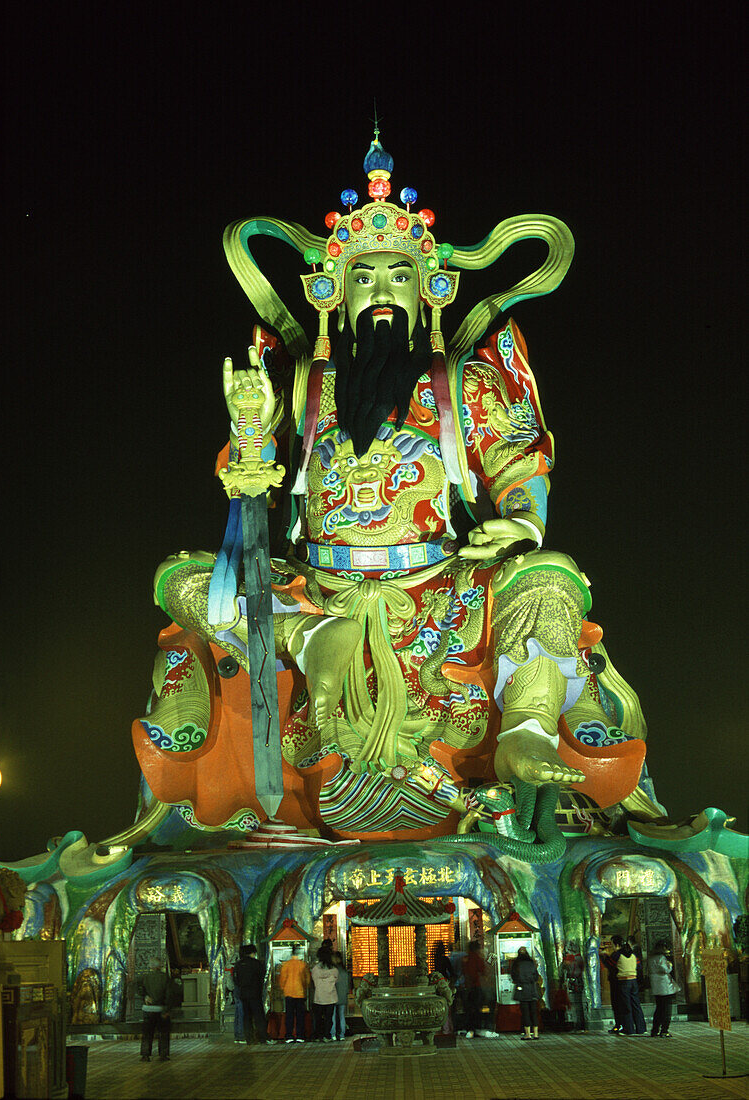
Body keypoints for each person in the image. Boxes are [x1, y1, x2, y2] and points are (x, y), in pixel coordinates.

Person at [144, 130, 654, 850]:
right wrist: (253, 432)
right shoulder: (303, 382)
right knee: (186, 580)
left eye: (397, 277)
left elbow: (516, 462)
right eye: (362, 278)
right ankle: (313, 639)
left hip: (440, 583)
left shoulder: (464, 383)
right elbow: (250, 488)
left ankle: (529, 734)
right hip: (318, 588)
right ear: (332, 293)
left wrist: (517, 520)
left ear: (427, 291)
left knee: (549, 581)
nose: (380, 293)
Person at [138, 957, 173, 1062]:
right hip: (161, 1009)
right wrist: (167, 1009)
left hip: (148, 1009)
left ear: (150, 966)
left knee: (147, 1033)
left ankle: (145, 1055)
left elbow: (137, 987)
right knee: (163, 1033)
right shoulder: (165, 978)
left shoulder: (145, 977)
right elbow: (169, 995)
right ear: (160, 966)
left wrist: (145, 997)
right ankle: (163, 1054)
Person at [233, 943, 267, 1045]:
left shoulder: (238, 964)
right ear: (252, 953)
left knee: (246, 1017)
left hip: (244, 994)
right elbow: (262, 977)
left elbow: (236, 980)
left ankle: (249, 1038)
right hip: (255, 994)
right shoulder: (257, 963)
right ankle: (262, 1037)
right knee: (258, 1016)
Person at [611, 938, 646, 1035]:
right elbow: (639, 967)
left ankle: (628, 1029)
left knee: (626, 1006)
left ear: (618, 945)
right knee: (636, 1005)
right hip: (633, 981)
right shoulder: (634, 956)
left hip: (623, 982)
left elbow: (611, 966)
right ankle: (641, 1028)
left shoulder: (617, 955)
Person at [279, 944, 310, 1043]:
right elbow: (307, 979)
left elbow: (282, 979)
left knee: (289, 1015)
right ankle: (300, 1035)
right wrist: (304, 988)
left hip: (288, 993)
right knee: (300, 1015)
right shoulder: (303, 964)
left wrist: (283, 988)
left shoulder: (286, 965)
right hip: (300, 992)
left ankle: (289, 1036)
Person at [649, 939, 679, 1037]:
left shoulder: (651, 958)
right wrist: (670, 965)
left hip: (656, 985)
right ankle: (664, 1030)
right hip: (664, 985)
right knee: (666, 1009)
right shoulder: (661, 958)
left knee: (659, 1009)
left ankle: (655, 1029)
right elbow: (666, 969)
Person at [511, 946, 541, 1039]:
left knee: (525, 1013)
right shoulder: (531, 963)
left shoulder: (516, 963)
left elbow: (514, 977)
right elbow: (536, 976)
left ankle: (527, 1034)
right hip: (532, 990)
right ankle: (536, 1034)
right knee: (533, 1012)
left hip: (522, 990)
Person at [311, 944, 338, 1042]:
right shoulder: (334, 970)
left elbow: (314, 981)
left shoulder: (316, 969)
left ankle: (318, 1035)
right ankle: (327, 1035)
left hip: (319, 997)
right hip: (331, 997)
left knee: (318, 1018)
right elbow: (336, 980)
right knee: (328, 1018)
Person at [601, 935, 625, 1033]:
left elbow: (610, 965)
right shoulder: (628, 953)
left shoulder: (617, 954)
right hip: (626, 981)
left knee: (617, 1004)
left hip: (617, 981)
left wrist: (604, 957)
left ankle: (619, 1025)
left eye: (612, 944)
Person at [462, 941, 486, 1038]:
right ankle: (476, 1028)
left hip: (467, 987)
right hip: (476, 986)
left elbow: (464, 971)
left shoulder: (466, 958)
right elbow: (482, 970)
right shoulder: (477, 958)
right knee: (476, 1008)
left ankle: (469, 1028)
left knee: (468, 1009)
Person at [330, 951, 350, 1040]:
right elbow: (348, 985)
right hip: (343, 996)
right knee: (341, 1015)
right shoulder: (345, 972)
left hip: (333, 996)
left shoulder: (333, 971)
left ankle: (333, 1034)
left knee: (333, 1016)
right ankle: (342, 1034)